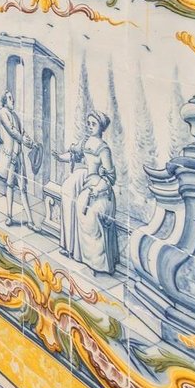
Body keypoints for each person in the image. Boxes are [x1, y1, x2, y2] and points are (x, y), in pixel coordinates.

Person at [55, 111, 118, 273]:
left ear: (101, 127)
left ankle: (97, 262)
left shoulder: (104, 149)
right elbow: (74, 156)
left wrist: (97, 189)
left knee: (86, 210)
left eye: (93, 124)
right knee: (68, 190)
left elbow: (110, 177)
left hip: (99, 186)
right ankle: (70, 247)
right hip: (87, 180)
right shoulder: (85, 141)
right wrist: (60, 157)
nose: (90, 127)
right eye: (88, 123)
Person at [0, 91, 38, 226]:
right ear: (4, 101)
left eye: (12, 98)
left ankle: (30, 220)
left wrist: (31, 143)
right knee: (10, 185)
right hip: (10, 156)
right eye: (10, 98)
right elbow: (12, 131)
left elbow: (22, 132)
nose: (13, 100)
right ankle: (9, 216)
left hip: (19, 157)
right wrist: (23, 139)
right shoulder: (3, 113)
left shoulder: (15, 116)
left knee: (23, 188)